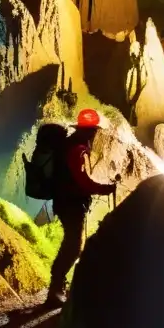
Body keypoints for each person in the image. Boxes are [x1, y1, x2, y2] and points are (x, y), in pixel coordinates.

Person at [46, 109, 118, 306]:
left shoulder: (70, 145)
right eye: (93, 130)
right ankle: (55, 289)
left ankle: (58, 285)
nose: (95, 134)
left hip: (65, 201)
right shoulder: (77, 149)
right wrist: (104, 189)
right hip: (71, 204)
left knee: (72, 243)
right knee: (73, 246)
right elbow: (82, 180)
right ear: (87, 131)